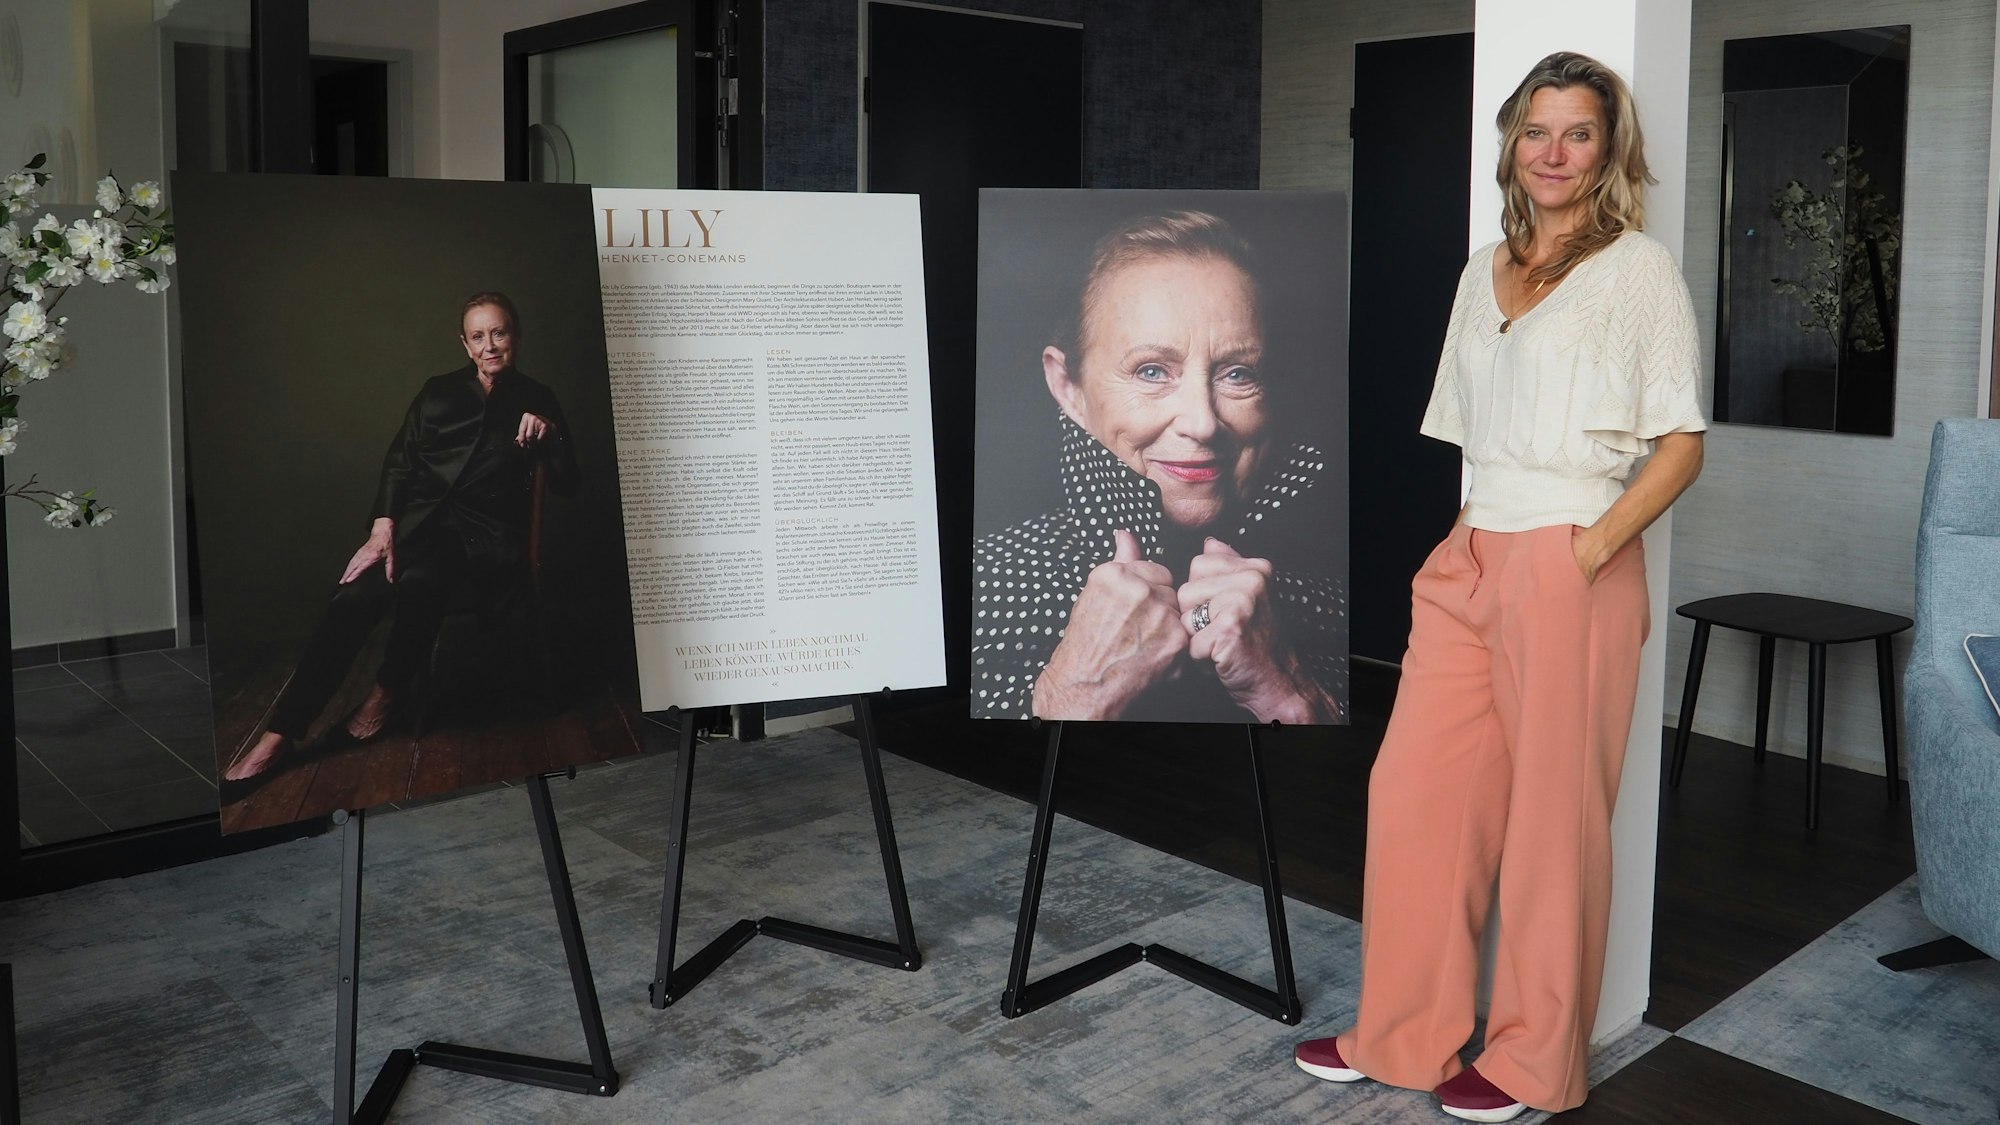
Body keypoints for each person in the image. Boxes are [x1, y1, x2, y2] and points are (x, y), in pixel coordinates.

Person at [1291, 53, 1707, 1121]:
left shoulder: (1637, 271)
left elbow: (1678, 445)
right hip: (1473, 553)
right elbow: (1472, 433)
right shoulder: (1483, 267)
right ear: (1510, 144)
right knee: (1416, 796)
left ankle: (1531, 1062)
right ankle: (1404, 1032)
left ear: (1607, 149)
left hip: (1570, 558)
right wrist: (1463, 544)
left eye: (1577, 132)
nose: (1555, 152)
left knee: (1551, 826)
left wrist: (1585, 548)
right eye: (1537, 131)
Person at [972, 210, 1346, 724]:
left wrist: (1288, 692)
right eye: (1151, 371)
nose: (1202, 422)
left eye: (1238, 374)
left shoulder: (1333, 603)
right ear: (1069, 389)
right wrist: (1074, 693)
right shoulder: (987, 585)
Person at [223, 291, 577, 783]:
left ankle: (383, 695)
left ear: (515, 336)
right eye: (478, 336)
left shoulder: (538, 397)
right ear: (464, 344)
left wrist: (549, 433)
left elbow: (569, 482)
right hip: (421, 526)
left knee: (421, 580)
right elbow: (400, 462)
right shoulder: (438, 391)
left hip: (487, 538)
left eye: (499, 333)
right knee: (352, 597)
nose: (490, 345)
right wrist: (383, 526)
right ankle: (278, 736)